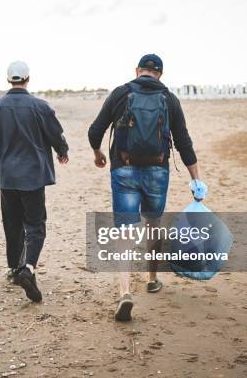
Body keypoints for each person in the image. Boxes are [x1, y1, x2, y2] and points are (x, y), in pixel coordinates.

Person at [87, 54, 207, 321]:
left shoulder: (120, 93)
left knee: (125, 232)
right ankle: (152, 279)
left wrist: (98, 154)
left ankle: (125, 292)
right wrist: (196, 179)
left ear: (137, 70)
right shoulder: (169, 99)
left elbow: (95, 131)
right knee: (153, 224)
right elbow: (183, 142)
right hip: (157, 171)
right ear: (160, 74)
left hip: (124, 170)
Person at [0, 60, 69, 303]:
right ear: (28, 79)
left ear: (9, 79)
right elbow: (55, 133)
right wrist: (62, 150)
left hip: (7, 177)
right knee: (35, 225)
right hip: (33, 176)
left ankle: (13, 269)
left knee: (12, 224)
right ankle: (28, 268)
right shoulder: (40, 106)